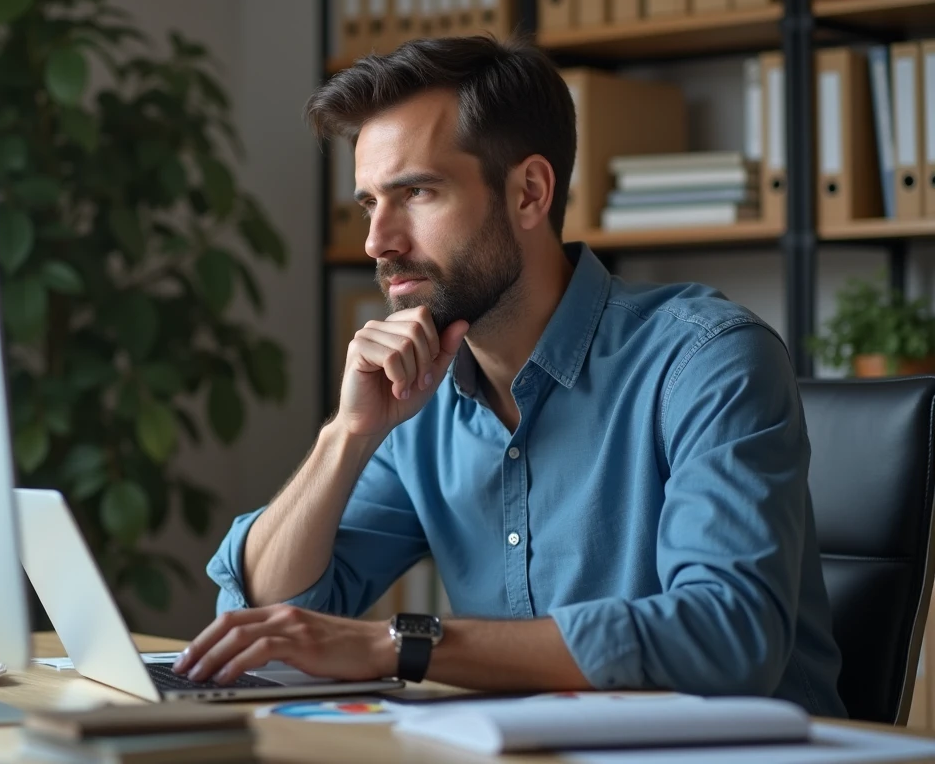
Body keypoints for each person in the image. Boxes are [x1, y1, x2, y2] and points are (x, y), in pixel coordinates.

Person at [172, 35, 846, 717]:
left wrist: (398, 646)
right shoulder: (422, 400)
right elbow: (271, 613)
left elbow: (725, 639)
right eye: (369, 203)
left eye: (417, 193)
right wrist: (346, 435)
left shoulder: (706, 360)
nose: (378, 241)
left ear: (529, 193)